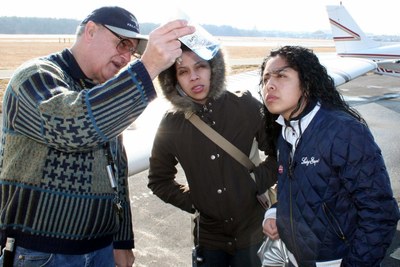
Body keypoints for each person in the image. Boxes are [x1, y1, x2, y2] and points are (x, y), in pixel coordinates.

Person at [0, 6, 195, 267]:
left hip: (101, 250)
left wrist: (122, 241)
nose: (126, 58)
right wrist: (147, 67)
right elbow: (72, 125)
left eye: (133, 51)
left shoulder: (103, 95)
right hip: (43, 254)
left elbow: (117, 172)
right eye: (122, 44)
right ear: (90, 31)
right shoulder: (34, 77)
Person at [259, 45, 400, 266]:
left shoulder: (343, 131)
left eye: (281, 75)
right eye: (266, 78)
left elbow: (380, 212)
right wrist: (275, 213)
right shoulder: (285, 131)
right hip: (295, 258)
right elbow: (302, 191)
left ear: (306, 83)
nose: (270, 85)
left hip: (335, 260)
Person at [147, 42, 278, 267]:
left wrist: (255, 181)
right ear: (173, 80)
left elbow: (279, 154)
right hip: (209, 242)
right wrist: (196, 201)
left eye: (200, 67)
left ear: (213, 69)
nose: (194, 77)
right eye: (183, 71)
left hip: (253, 236)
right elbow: (159, 180)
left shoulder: (244, 104)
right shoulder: (171, 123)